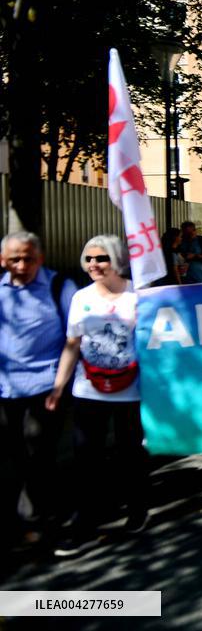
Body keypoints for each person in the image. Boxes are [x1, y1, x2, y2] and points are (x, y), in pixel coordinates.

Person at [47, 236, 148, 557]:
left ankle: (137, 510)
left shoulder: (138, 296)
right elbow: (72, 345)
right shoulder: (80, 298)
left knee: (129, 453)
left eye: (102, 258)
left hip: (130, 390)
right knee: (85, 459)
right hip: (88, 390)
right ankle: (82, 526)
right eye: (89, 258)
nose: (94, 264)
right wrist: (59, 386)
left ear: (116, 259)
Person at [0, 232, 77, 552]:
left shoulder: (59, 286)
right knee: (14, 456)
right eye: (14, 259)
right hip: (6, 389)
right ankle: (28, 518)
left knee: (38, 453)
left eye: (28, 258)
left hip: (46, 386)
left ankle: (40, 522)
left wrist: (59, 386)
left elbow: (75, 339)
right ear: (3, 260)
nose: (22, 265)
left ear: (40, 258)